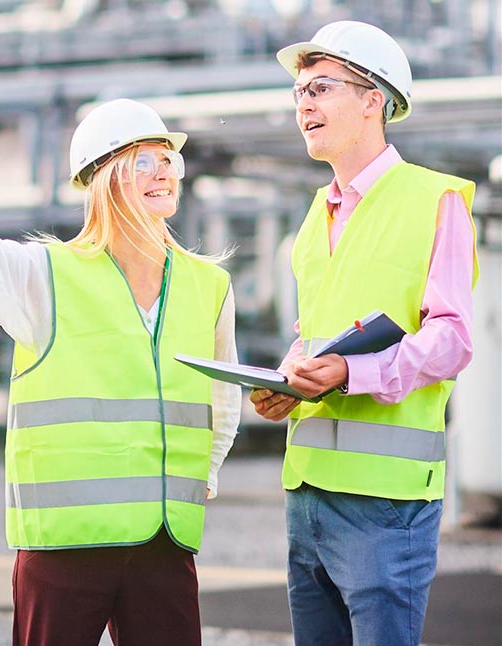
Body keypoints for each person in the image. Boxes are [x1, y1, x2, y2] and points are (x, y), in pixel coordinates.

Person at [0, 98, 240, 646]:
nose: (164, 172)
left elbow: (221, 395)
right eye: (144, 161)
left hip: (165, 540)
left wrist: (205, 472)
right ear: (104, 180)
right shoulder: (46, 275)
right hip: (65, 544)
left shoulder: (209, 285)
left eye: (169, 161)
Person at [250, 20, 479, 646]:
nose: (304, 106)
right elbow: (316, 337)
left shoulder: (436, 201)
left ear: (372, 98)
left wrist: (354, 372)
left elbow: (454, 339)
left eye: (320, 88)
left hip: (386, 504)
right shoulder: (313, 217)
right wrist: (289, 380)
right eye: (299, 93)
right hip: (308, 493)